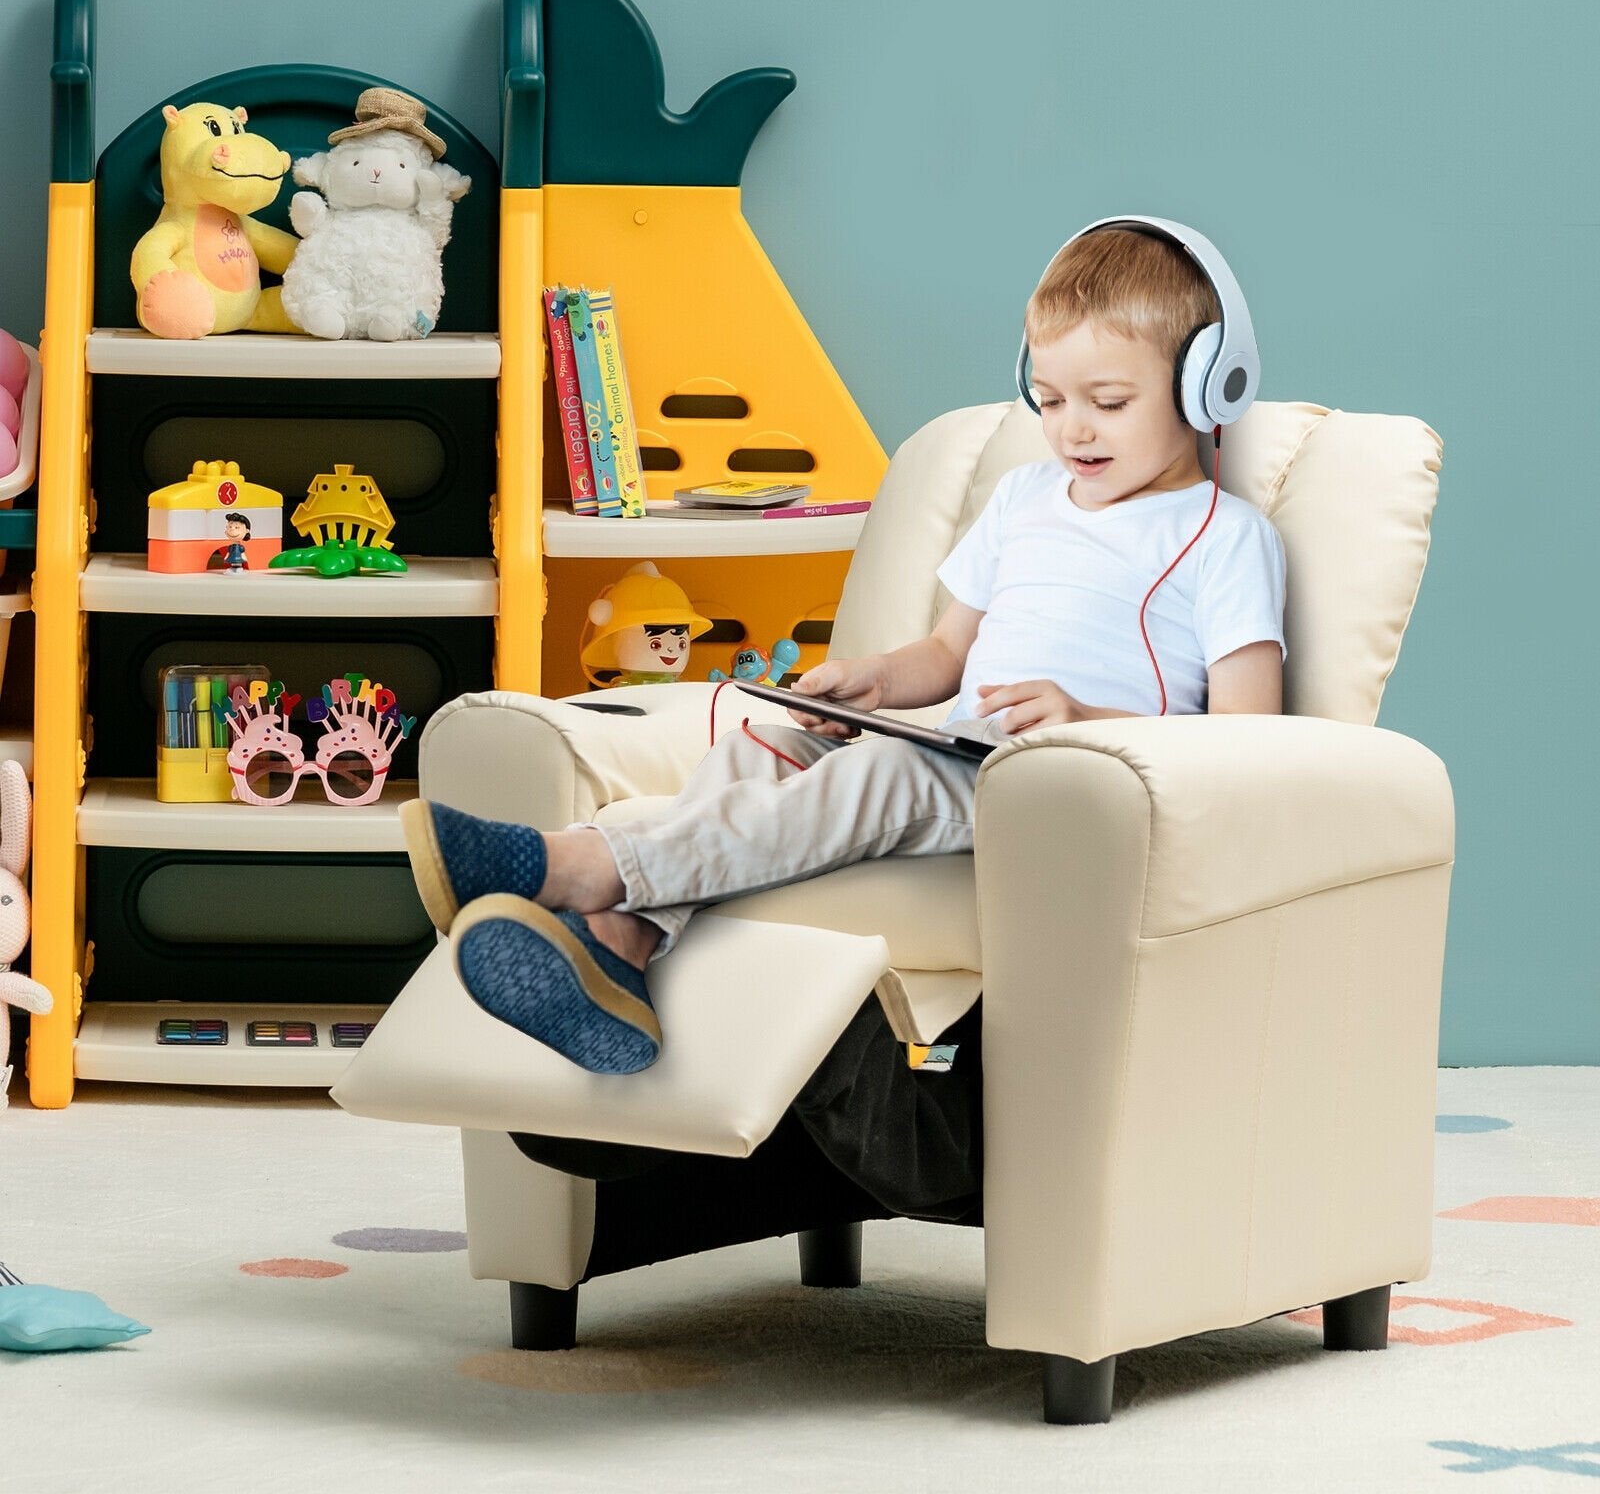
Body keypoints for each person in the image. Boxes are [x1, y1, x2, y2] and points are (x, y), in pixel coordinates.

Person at [398, 223, 1288, 1080]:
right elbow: (945, 653)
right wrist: (872, 679)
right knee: (763, 748)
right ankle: (621, 951)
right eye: (1050, 402)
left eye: (1110, 403)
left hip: (1068, 793)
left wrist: (1083, 719)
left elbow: (1250, 736)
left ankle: (575, 864)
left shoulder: (1224, 538)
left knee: (883, 777)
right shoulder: (1026, 499)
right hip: (966, 755)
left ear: (1207, 384)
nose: (1073, 431)